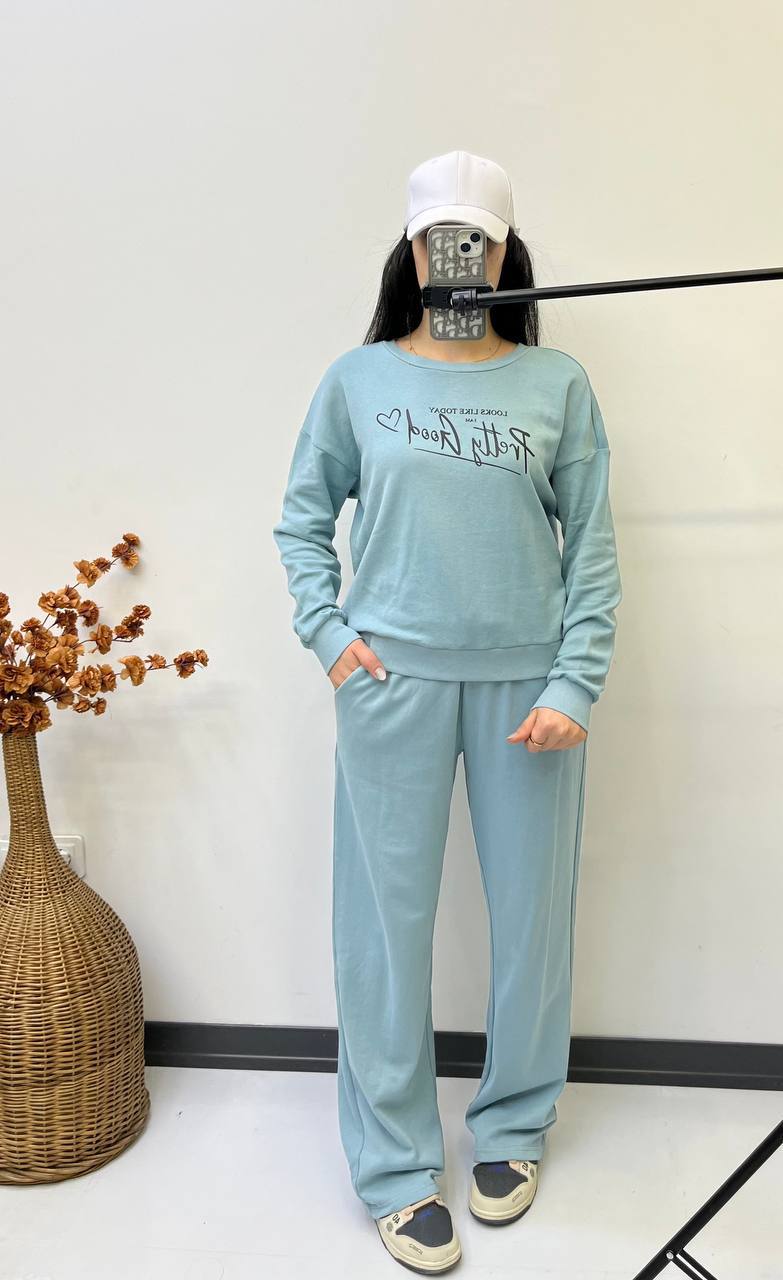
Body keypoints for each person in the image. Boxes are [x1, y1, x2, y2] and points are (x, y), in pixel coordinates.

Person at [272, 150, 622, 1274]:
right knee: (383, 931)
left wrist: (574, 679)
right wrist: (332, 638)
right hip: (390, 685)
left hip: (530, 690)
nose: (459, 254)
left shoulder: (556, 384)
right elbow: (301, 520)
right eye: (439, 236)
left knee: (533, 922)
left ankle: (513, 1125)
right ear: (414, 251)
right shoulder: (357, 380)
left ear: (508, 252)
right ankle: (394, 1166)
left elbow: (593, 551)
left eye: (480, 235)